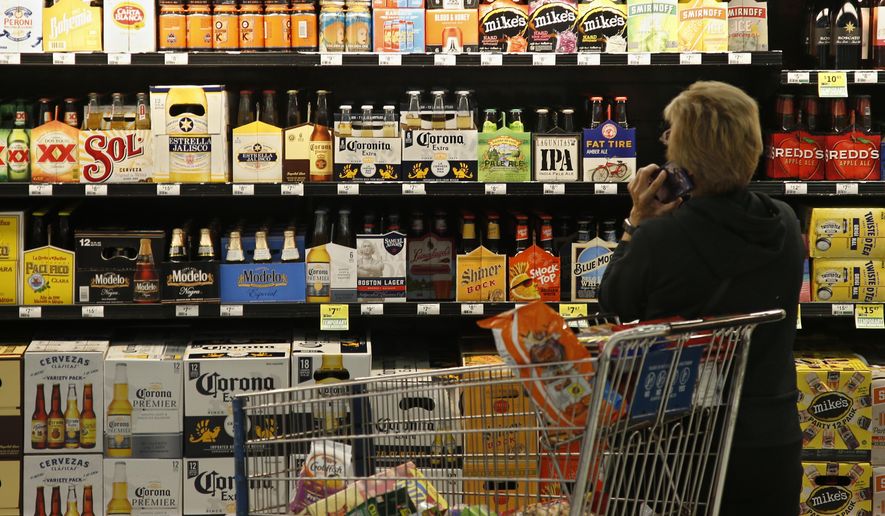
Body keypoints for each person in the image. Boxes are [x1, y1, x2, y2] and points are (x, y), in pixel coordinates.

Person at [599, 81, 803, 515]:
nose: (663, 139)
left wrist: (635, 221)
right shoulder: (784, 222)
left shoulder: (660, 236)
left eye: (670, 132)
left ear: (687, 157)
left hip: (680, 450)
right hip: (770, 440)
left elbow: (614, 302)